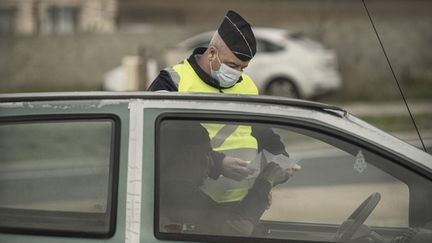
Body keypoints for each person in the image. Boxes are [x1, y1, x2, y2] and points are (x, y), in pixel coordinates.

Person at [150, 10, 297, 203]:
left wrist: (281, 160)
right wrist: (217, 164)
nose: (237, 73)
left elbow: (263, 133)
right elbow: (159, 142)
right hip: (192, 208)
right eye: (232, 66)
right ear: (212, 53)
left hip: (240, 206)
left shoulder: (247, 86)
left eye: (243, 68)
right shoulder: (173, 83)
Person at [159, 121, 300, 236]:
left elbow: (216, 213)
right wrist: (265, 181)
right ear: (189, 155)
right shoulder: (180, 196)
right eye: (208, 153)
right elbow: (239, 227)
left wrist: (260, 195)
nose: (212, 162)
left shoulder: (176, 191)